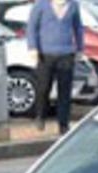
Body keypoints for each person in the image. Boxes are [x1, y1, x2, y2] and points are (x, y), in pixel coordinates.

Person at [27, 0, 84, 135]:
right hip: (45, 54)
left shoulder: (73, 5)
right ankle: (40, 116)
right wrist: (32, 47)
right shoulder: (41, 5)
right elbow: (32, 27)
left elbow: (78, 27)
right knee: (43, 88)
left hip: (66, 54)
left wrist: (80, 48)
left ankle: (63, 124)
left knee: (65, 91)